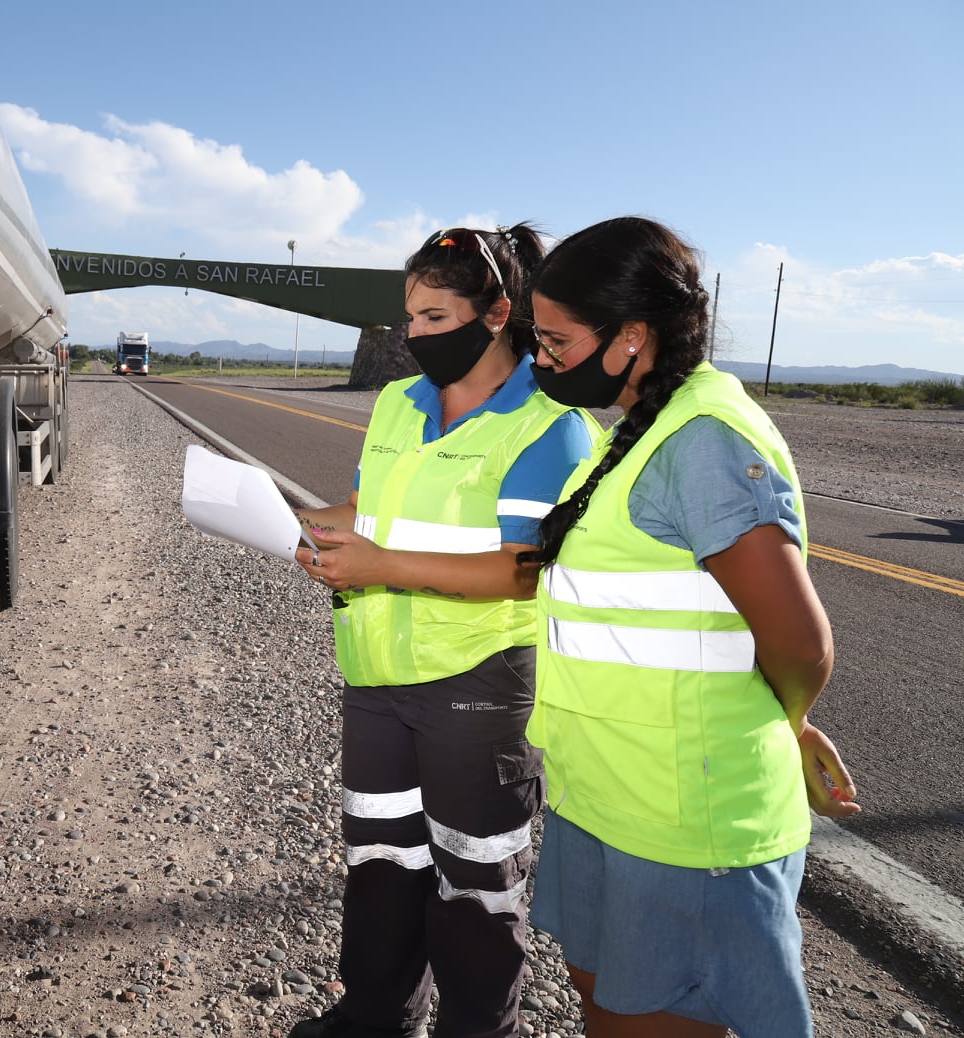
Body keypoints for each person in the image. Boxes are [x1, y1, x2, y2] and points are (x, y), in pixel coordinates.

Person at [517, 216, 861, 1038]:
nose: (542, 360)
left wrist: (790, 722)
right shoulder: (640, 430)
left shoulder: (703, 438)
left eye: (557, 341)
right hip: (605, 794)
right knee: (604, 1004)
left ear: (632, 336)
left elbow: (801, 642)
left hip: (684, 823)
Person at [288, 225, 599, 1038]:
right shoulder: (400, 401)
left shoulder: (548, 424)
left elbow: (523, 569)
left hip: (476, 682)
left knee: (475, 882)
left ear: (497, 314)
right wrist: (298, 524)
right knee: (381, 863)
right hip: (377, 677)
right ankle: (376, 1019)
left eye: (434, 317)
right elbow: (367, 511)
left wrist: (381, 565)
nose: (414, 334)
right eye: (410, 316)